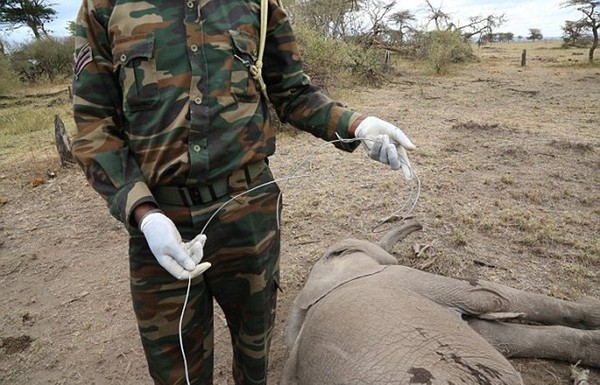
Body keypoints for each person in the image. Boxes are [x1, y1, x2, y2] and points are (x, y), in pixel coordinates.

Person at [71, 0, 415, 384]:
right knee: (176, 372)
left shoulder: (261, 4)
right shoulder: (104, 7)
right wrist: (144, 214)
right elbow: (93, 126)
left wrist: (358, 125)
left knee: (255, 359)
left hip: (251, 218)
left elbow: (292, 91)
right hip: (160, 226)